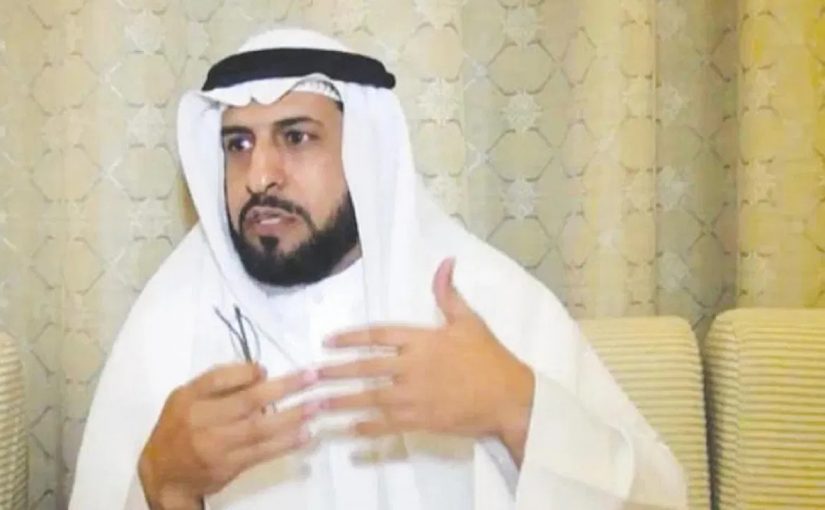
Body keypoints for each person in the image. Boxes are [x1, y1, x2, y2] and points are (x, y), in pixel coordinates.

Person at [70, 28, 687, 510]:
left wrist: (517, 407)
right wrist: (164, 486)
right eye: (239, 144)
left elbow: (658, 498)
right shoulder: (172, 320)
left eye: (296, 137)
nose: (259, 176)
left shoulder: (481, 299)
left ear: (366, 151)